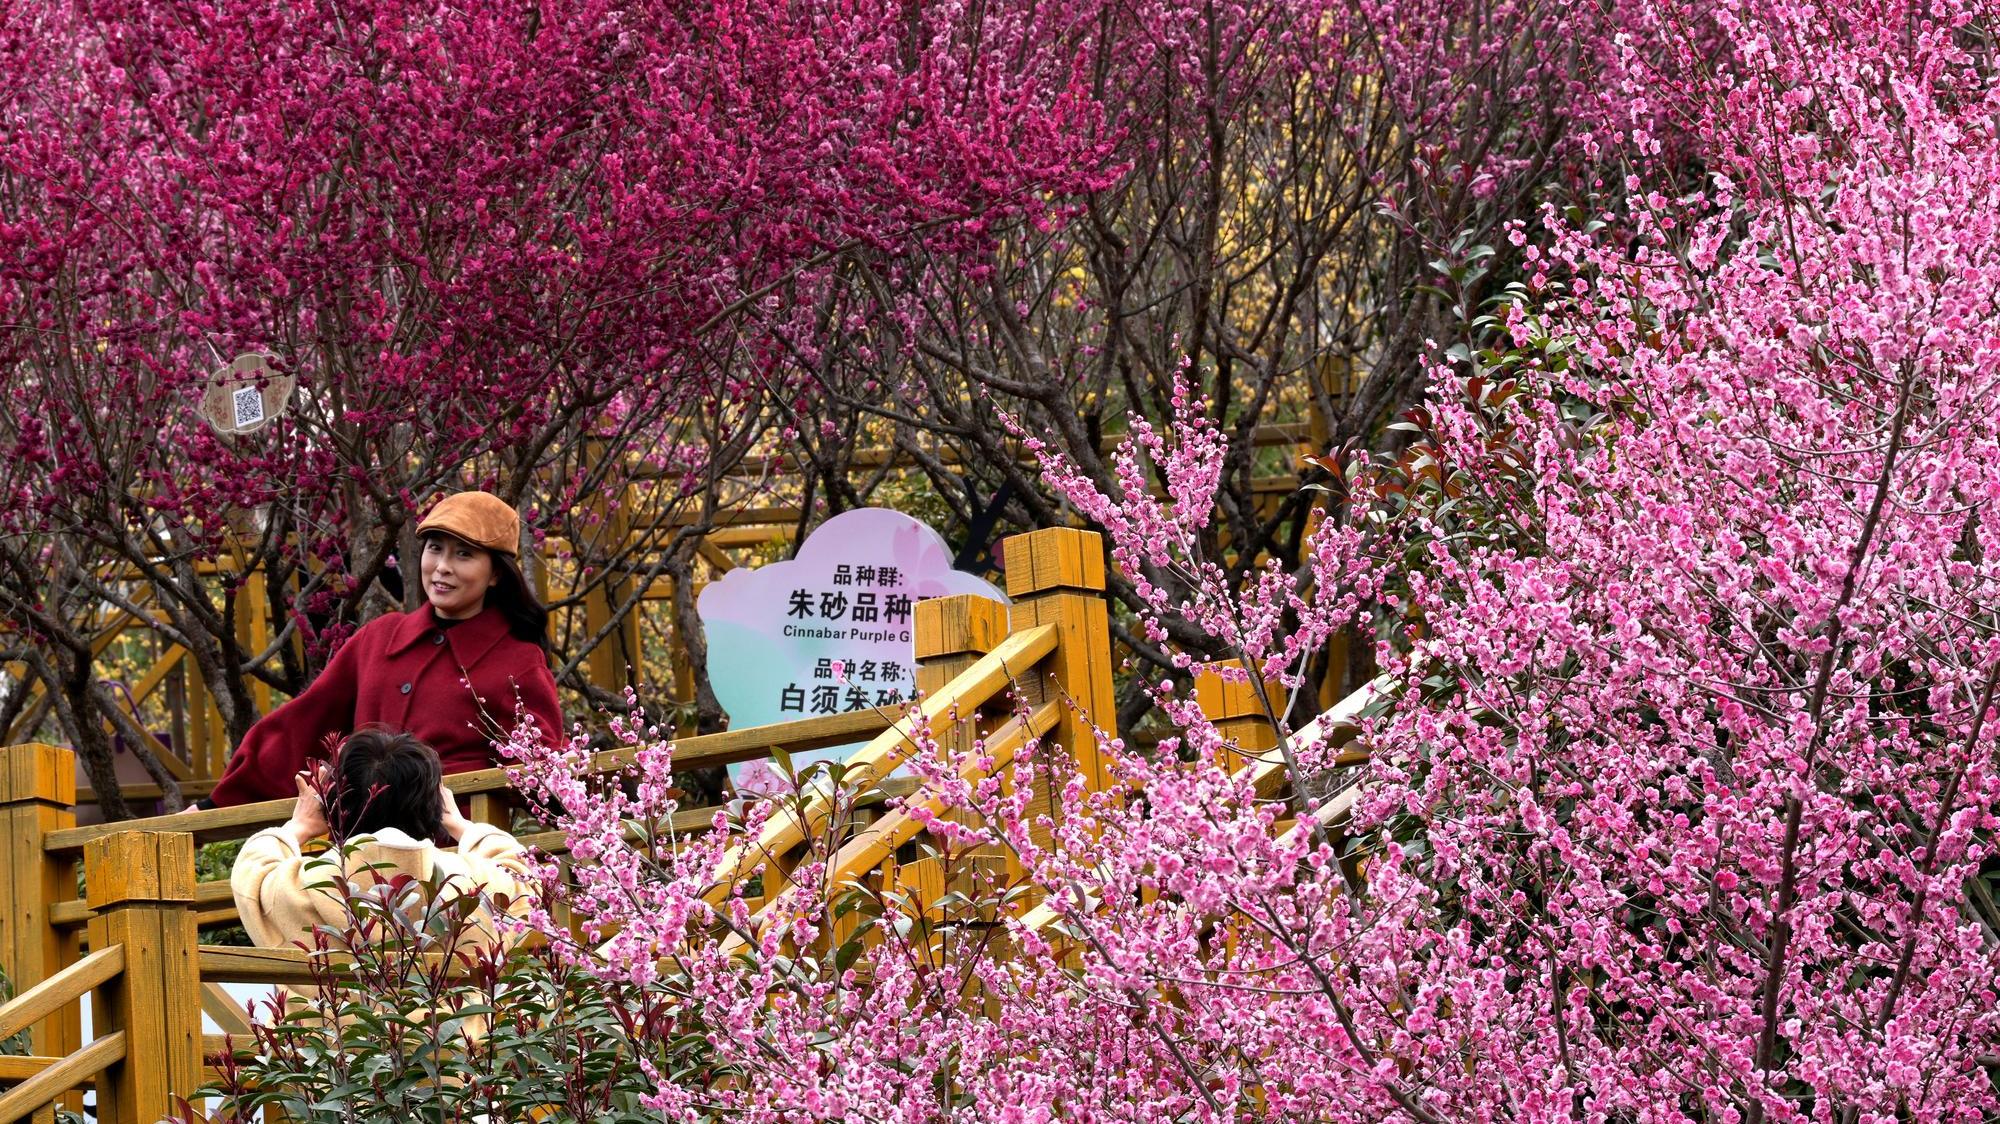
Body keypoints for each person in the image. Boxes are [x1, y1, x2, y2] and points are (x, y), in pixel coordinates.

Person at [200, 490, 563, 808]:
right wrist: (216, 803)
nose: (442, 567)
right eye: (435, 549)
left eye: (463, 555)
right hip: (360, 848)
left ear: (496, 574)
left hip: (455, 853)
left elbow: (543, 777)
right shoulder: (379, 638)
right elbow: (304, 723)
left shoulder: (517, 662)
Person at [230, 730, 535, 1032]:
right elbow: (522, 876)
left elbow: (253, 871)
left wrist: (300, 826)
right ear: (434, 803)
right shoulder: (469, 883)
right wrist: (459, 824)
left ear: (334, 804)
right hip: (451, 1057)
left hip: (325, 1058)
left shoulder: (303, 885)